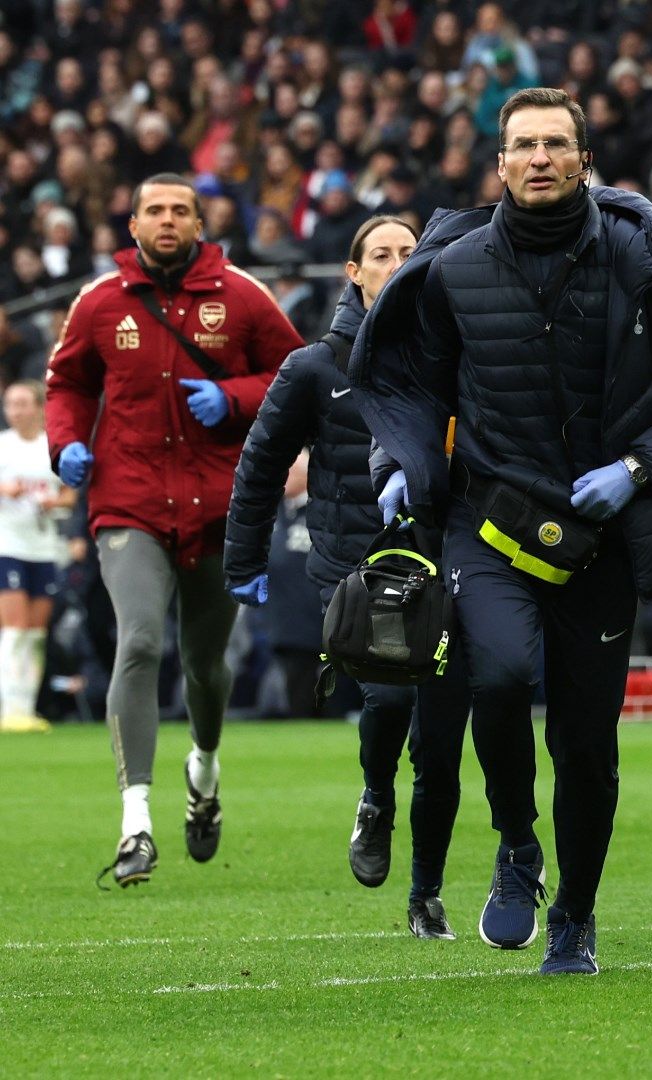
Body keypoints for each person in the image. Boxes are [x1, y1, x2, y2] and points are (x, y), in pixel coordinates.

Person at [352, 88, 652, 975]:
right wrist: (397, 466)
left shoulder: (649, 263)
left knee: (585, 743)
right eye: (523, 145)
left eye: (555, 144)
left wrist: (640, 468)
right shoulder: (451, 269)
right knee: (497, 678)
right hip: (487, 524)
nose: (539, 157)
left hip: (599, 536)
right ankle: (516, 842)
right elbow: (411, 387)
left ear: (584, 161)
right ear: (499, 164)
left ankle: (575, 916)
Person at [46, 172, 304, 888]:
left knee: (205, 665)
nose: (167, 220)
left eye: (179, 210)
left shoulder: (243, 295)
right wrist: (65, 443)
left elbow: (297, 374)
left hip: (220, 506)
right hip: (128, 502)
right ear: (133, 226)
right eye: (154, 210)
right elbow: (67, 383)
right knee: (138, 642)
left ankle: (205, 768)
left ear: (199, 223)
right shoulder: (99, 301)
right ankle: (136, 824)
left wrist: (233, 395)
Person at [224, 215, 475, 940]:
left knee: (440, 739)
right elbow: (261, 464)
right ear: (354, 273)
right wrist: (243, 559)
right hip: (354, 566)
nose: (396, 263)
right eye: (381, 254)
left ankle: (425, 894)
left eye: (408, 253)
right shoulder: (314, 368)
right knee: (390, 698)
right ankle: (375, 796)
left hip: (444, 560)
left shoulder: (458, 356)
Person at [0, 380, 75, 733]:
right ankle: (10, 708)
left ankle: (27, 707)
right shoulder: (3, 445)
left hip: (43, 547)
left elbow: (70, 494)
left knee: (35, 633)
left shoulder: (51, 446)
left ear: (38, 407)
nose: (15, 411)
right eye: (10, 404)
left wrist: (53, 502)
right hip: (9, 545)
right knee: (14, 628)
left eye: (22, 403)